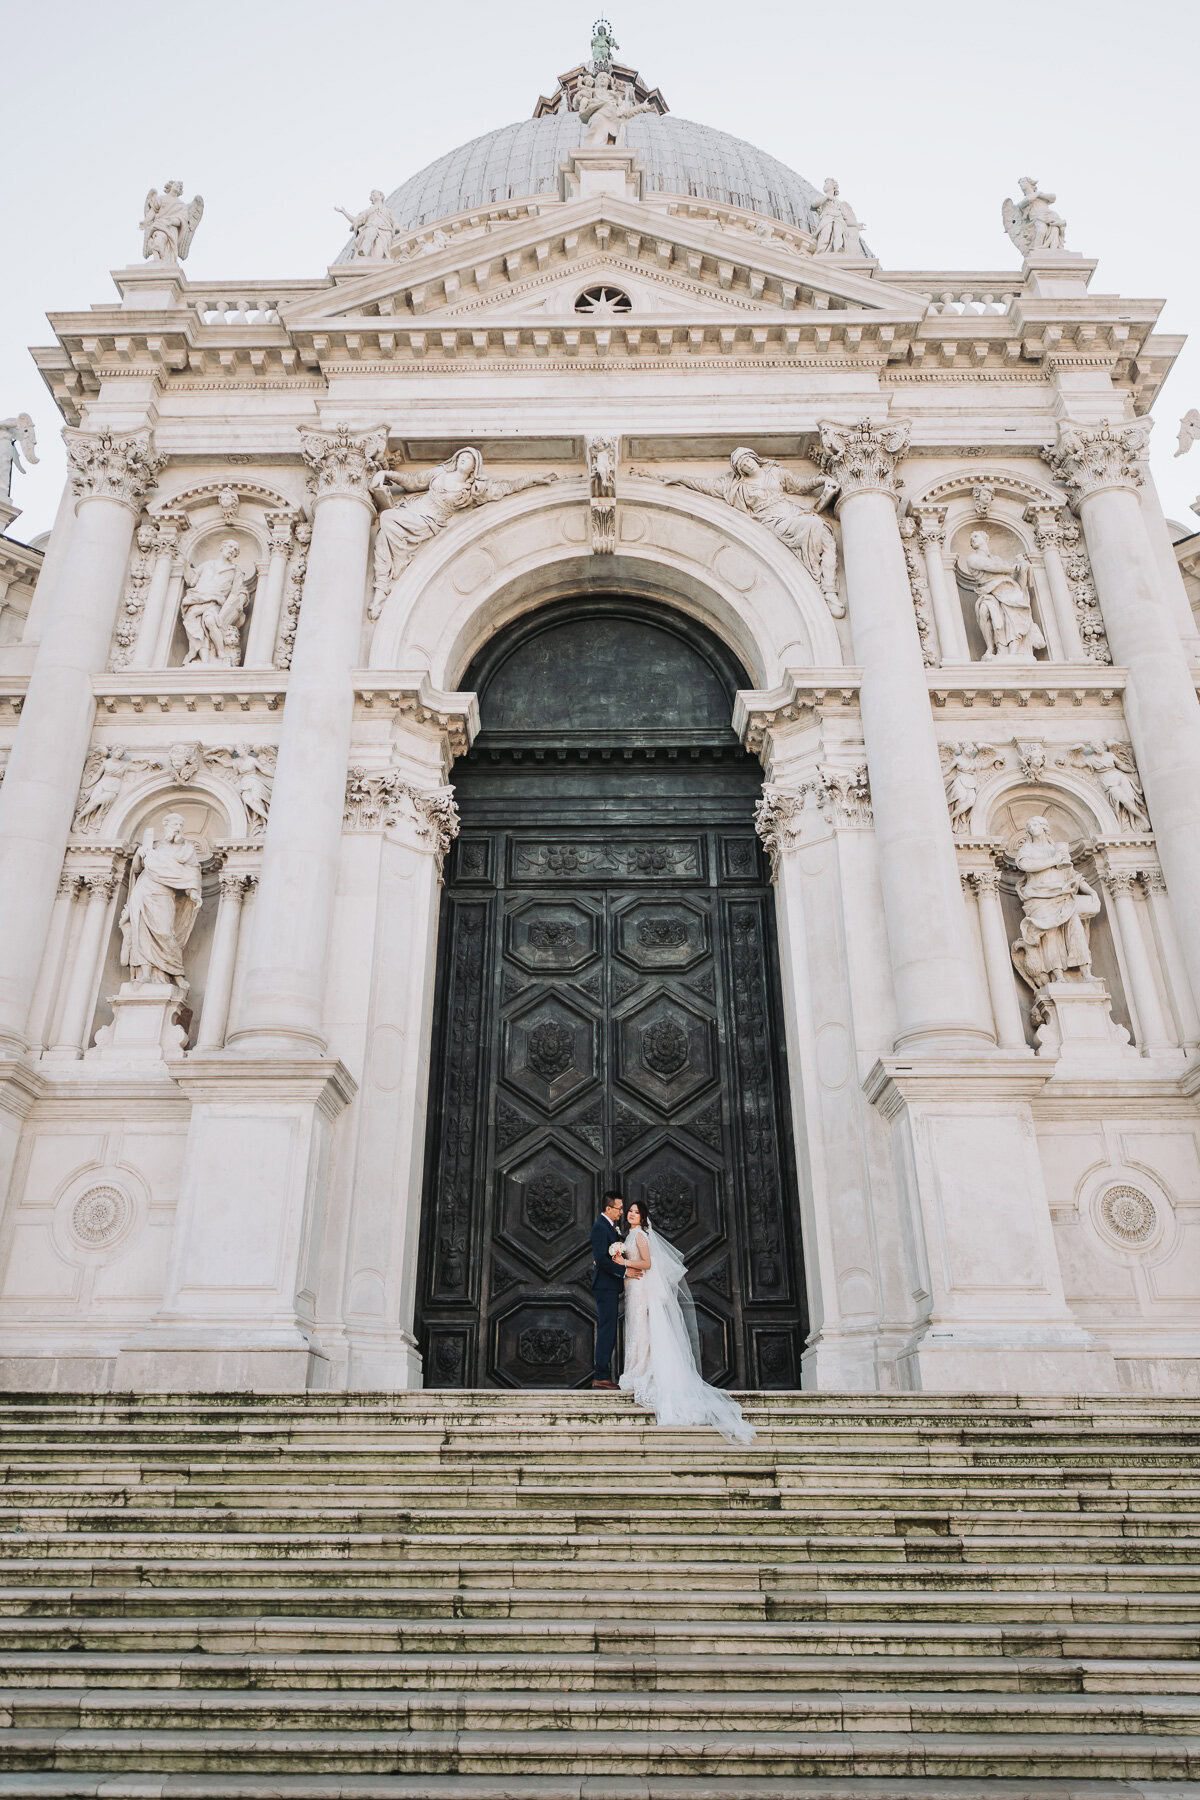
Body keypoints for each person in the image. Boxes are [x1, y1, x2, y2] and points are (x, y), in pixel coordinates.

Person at [613, 1199, 755, 1443]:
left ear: (644, 1217)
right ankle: (636, 1370)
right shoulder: (629, 1236)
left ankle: (641, 1370)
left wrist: (623, 1261)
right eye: (630, 1211)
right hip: (633, 1290)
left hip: (640, 1290)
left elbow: (647, 1263)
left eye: (636, 1212)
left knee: (641, 1331)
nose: (631, 1214)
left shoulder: (640, 1237)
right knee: (636, 1330)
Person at [590, 1190, 631, 1388]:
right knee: (607, 1330)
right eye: (619, 1208)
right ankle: (601, 1376)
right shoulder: (600, 1227)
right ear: (608, 1208)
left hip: (610, 1286)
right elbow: (602, 1261)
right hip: (605, 1286)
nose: (622, 1212)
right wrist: (625, 1272)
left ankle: (604, 1374)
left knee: (610, 1329)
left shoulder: (611, 1227)